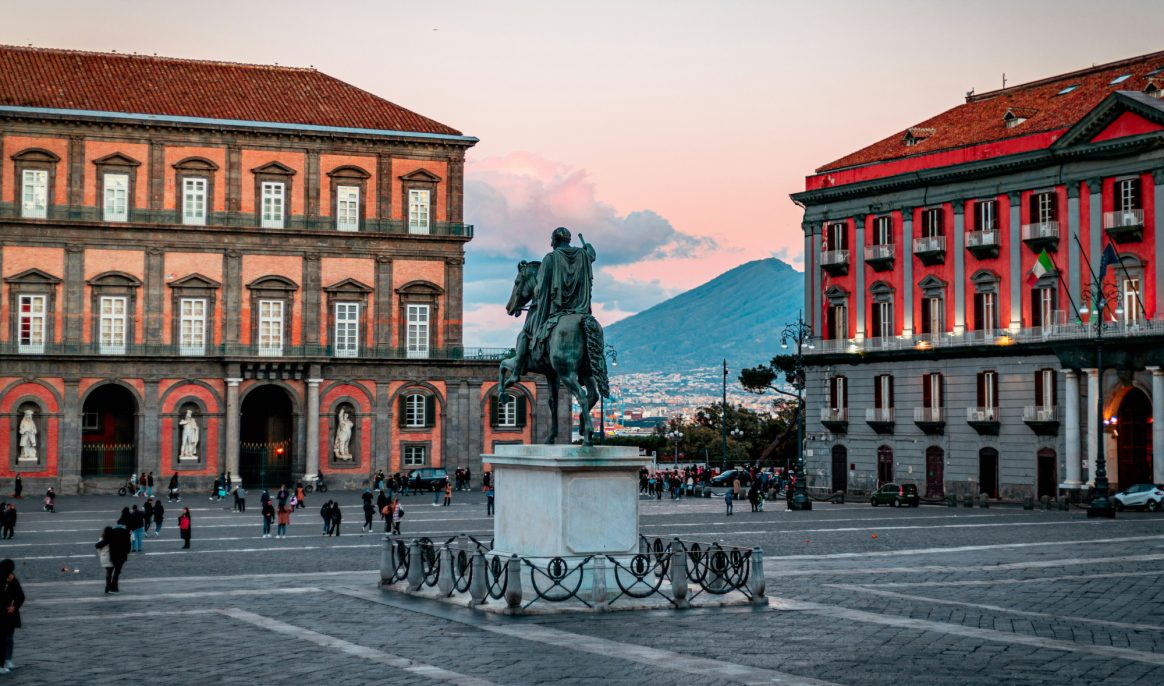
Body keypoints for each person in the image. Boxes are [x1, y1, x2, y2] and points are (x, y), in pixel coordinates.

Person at [0, 559, 25, 674]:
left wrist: (13, 607)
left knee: (8, 638)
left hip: (9, 614)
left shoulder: (12, 580)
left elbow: (20, 596)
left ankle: (8, 660)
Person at [95, 527, 117, 594]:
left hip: (103, 557)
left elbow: (98, 549)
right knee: (110, 572)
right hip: (111, 558)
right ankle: (109, 586)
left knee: (108, 572)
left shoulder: (101, 539)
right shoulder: (114, 539)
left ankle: (108, 586)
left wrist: (100, 555)